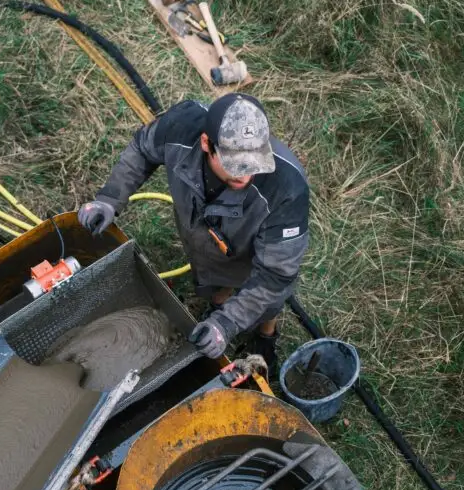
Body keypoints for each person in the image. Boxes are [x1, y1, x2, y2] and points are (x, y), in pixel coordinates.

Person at [77, 93, 309, 371]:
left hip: (255, 250)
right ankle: (219, 301)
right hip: (202, 239)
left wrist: (227, 323)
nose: (246, 176)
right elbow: (141, 150)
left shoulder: (286, 188)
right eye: (234, 164)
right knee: (212, 279)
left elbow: (275, 275)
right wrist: (109, 199)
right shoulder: (180, 127)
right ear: (205, 143)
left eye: (253, 164)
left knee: (269, 301)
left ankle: (266, 337)